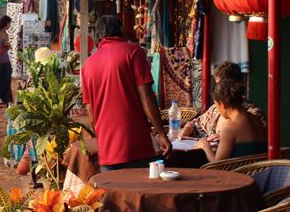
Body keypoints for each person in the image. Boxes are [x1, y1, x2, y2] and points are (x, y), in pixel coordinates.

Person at [81, 15, 171, 173]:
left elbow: (90, 111)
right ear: (122, 31)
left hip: (107, 150)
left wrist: (102, 140)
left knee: (111, 196)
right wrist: (162, 134)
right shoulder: (134, 52)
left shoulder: (88, 64)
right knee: (144, 194)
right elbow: (146, 96)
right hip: (136, 144)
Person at [182, 61, 266, 141]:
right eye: (219, 85)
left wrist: (225, 137)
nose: (221, 90)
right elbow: (196, 123)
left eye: (227, 86)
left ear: (239, 85)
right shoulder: (215, 109)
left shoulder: (253, 113)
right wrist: (187, 128)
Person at [195, 80, 267, 162]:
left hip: (241, 173)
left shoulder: (230, 127)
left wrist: (205, 146)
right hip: (261, 171)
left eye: (216, 105)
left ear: (223, 104)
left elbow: (217, 165)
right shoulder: (256, 119)